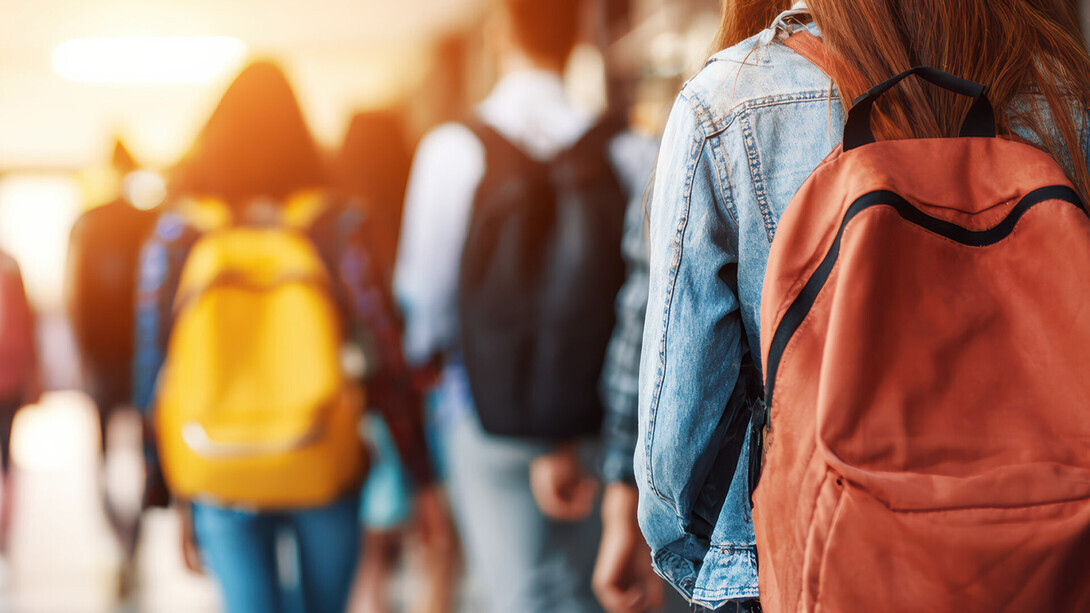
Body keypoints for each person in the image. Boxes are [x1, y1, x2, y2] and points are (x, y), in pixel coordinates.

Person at [636, 0, 1090, 610]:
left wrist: (743, 575)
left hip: (825, 571)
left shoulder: (729, 101)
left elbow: (675, 454)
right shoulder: (1065, 92)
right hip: (1051, 568)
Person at [133, 61, 442, 613]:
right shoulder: (339, 223)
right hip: (324, 455)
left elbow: (153, 365)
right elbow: (384, 353)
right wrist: (422, 475)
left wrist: (168, 485)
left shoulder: (177, 233)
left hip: (216, 462)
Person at [395, 0, 650, 610]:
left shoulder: (452, 150)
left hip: (484, 410)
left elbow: (424, 297)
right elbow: (653, 295)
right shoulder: (630, 150)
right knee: (601, 583)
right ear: (581, 36)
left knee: (519, 593)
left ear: (500, 34)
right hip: (601, 417)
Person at [333, 111, 459, 613]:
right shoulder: (411, 219)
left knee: (370, 553)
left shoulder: (338, 231)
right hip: (425, 397)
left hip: (366, 403)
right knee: (435, 545)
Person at [65, 138, 158, 579]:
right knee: (141, 446)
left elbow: (75, 295)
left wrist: (82, 352)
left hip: (103, 355)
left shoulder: (87, 223)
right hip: (141, 355)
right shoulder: (149, 221)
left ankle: (119, 534)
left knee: (102, 449)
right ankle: (132, 534)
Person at [0, 251, 40, 576]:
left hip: (10, 375)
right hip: (11, 375)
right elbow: (29, 323)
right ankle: (5, 536)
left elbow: (27, 322)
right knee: (7, 458)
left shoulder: (12, 266)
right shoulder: (11, 265)